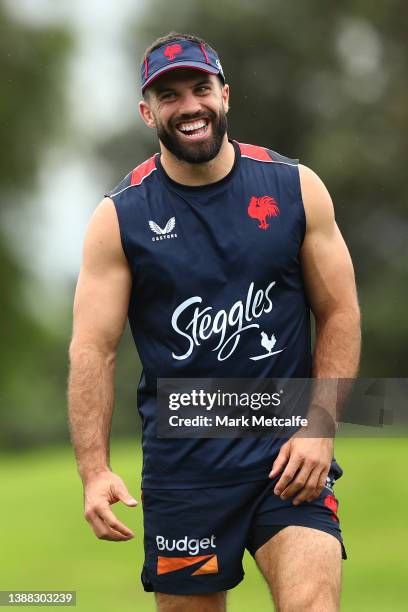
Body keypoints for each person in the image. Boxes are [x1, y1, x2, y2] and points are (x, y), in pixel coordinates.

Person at [68, 31, 361, 612]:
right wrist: (94, 471)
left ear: (225, 95)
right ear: (147, 111)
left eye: (200, 88)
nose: (190, 106)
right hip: (184, 473)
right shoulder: (119, 217)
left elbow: (340, 311)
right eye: (169, 95)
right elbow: (92, 350)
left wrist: (320, 426)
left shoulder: (295, 187)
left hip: (288, 459)